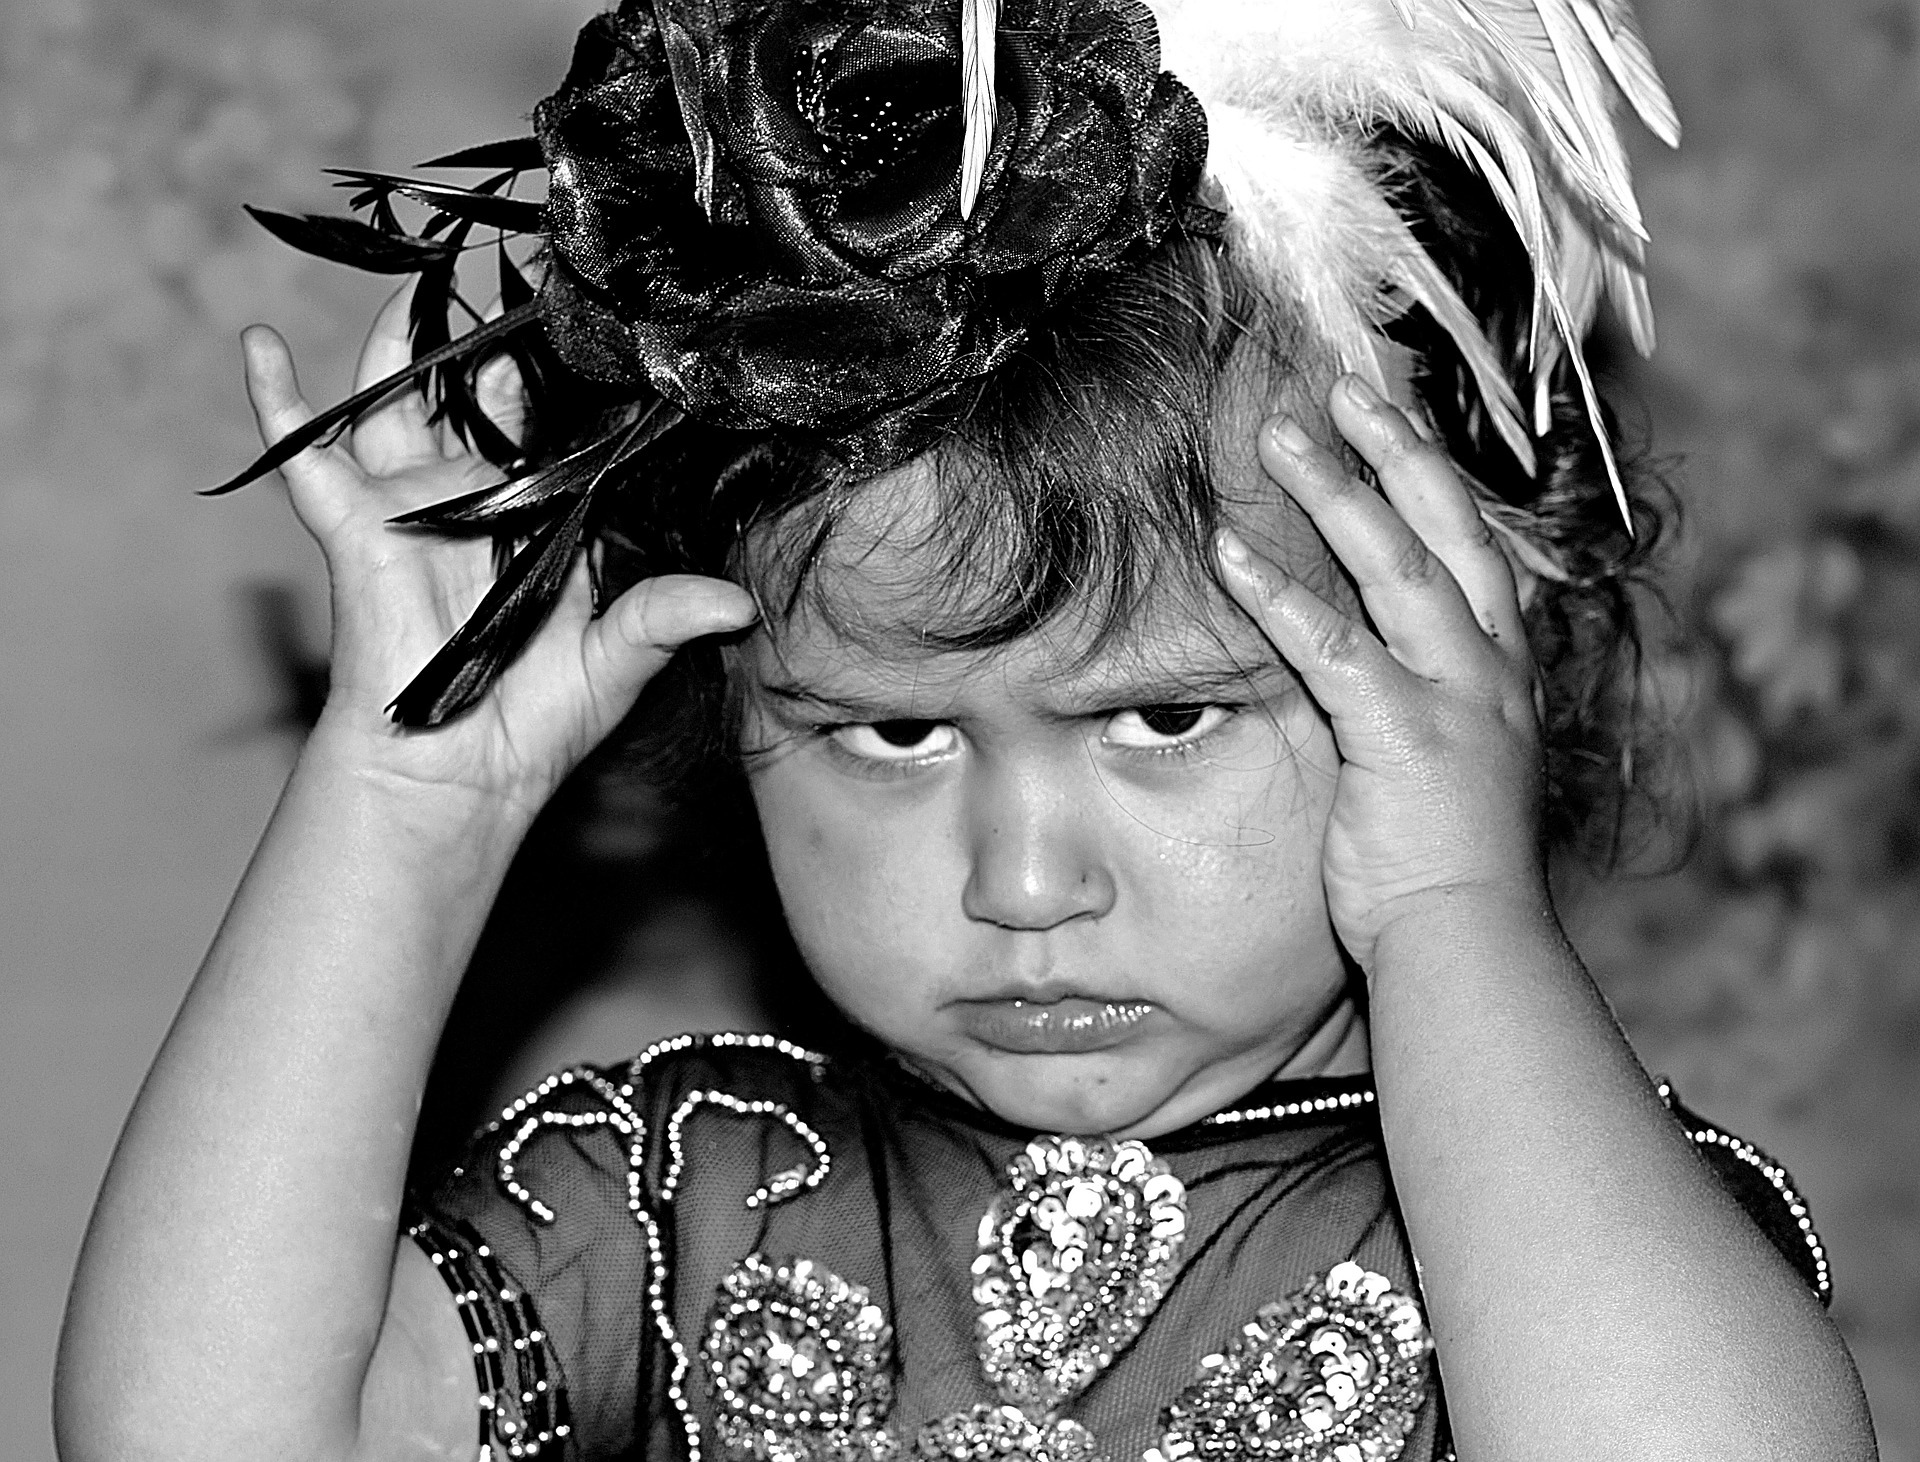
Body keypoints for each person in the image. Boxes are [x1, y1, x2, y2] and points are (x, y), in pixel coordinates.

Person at [56, 1, 1877, 1459]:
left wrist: (1452, 912)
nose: (1022, 883)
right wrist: (409, 800)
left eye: (1163, 714)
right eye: (892, 737)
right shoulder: (687, 1209)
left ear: (1464, 664)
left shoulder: (1551, 1221)